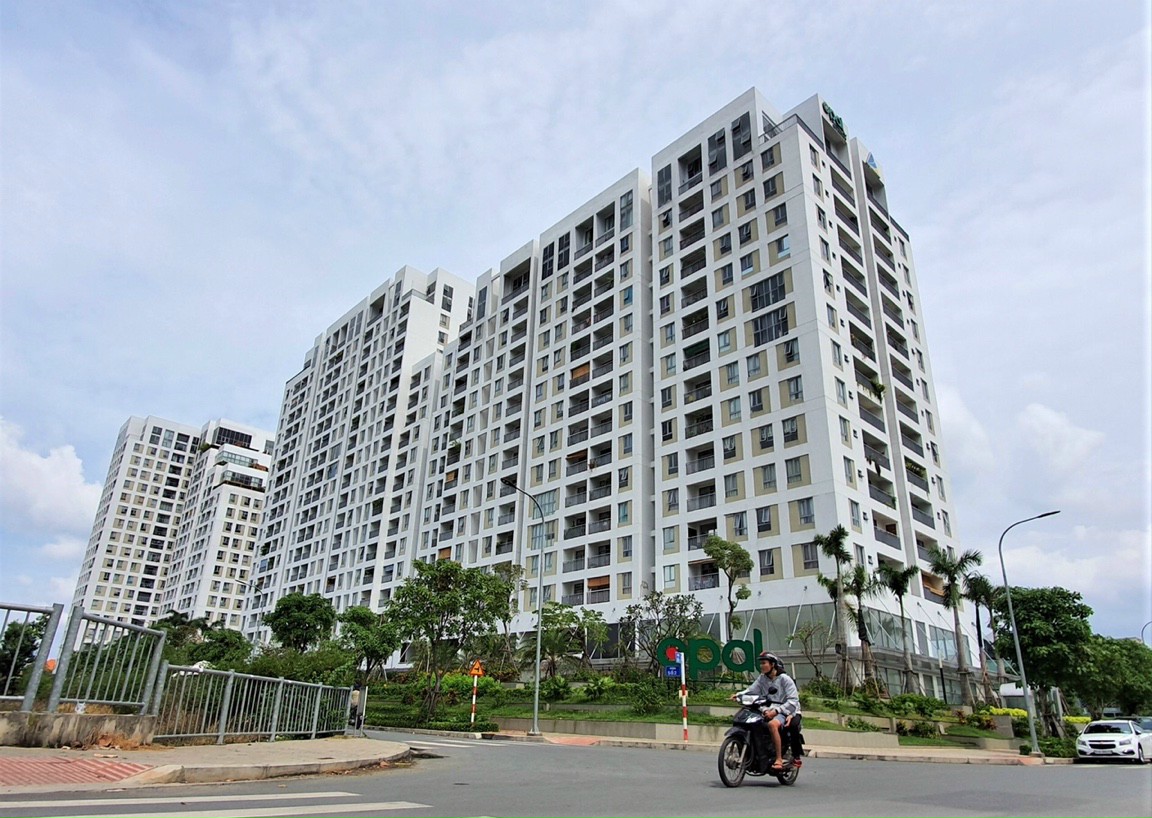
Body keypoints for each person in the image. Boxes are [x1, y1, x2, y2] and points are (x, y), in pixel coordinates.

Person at [731, 651, 800, 770]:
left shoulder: (785, 679)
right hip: (766, 708)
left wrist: (776, 711)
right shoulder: (762, 678)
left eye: (764, 663)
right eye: (761, 663)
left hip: (783, 711)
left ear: (772, 664)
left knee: (772, 725)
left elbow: (793, 701)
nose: (761, 666)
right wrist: (738, 695)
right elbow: (751, 690)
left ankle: (778, 758)